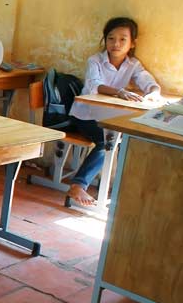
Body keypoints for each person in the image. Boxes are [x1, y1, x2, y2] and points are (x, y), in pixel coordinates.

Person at [66, 17, 160, 206]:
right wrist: (120, 91)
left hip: (111, 117)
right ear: (105, 40)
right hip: (85, 115)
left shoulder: (133, 64)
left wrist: (152, 93)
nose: (116, 44)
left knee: (123, 138)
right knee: (106, 142)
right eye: (111, 38)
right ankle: (78, 185)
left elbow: (149, 83)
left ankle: (117, 189)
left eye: (123, 39)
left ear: (132, 43)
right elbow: (95, 86)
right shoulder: (96, 61)